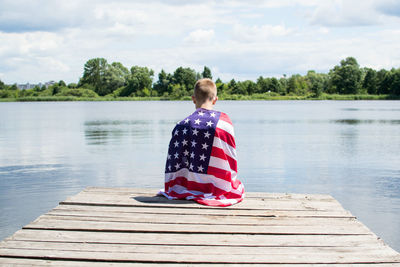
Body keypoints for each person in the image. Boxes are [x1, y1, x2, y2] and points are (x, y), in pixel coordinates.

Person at [159, 78, 245, 207]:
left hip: (185, 186)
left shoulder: (180, 125)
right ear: (215, 99)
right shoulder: (223, 123)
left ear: (193, 99)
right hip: (219, 188)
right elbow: (231, 157)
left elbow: (173, 161)